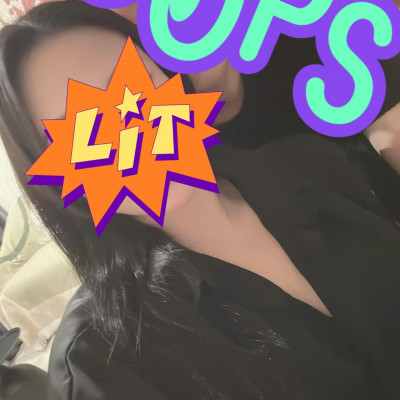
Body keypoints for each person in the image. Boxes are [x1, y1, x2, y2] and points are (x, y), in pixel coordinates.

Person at [0, 2, 400, 399]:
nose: (135, 132)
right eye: (85, 129)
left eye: (137, 84)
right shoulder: (102, 365)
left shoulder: (310, 164)